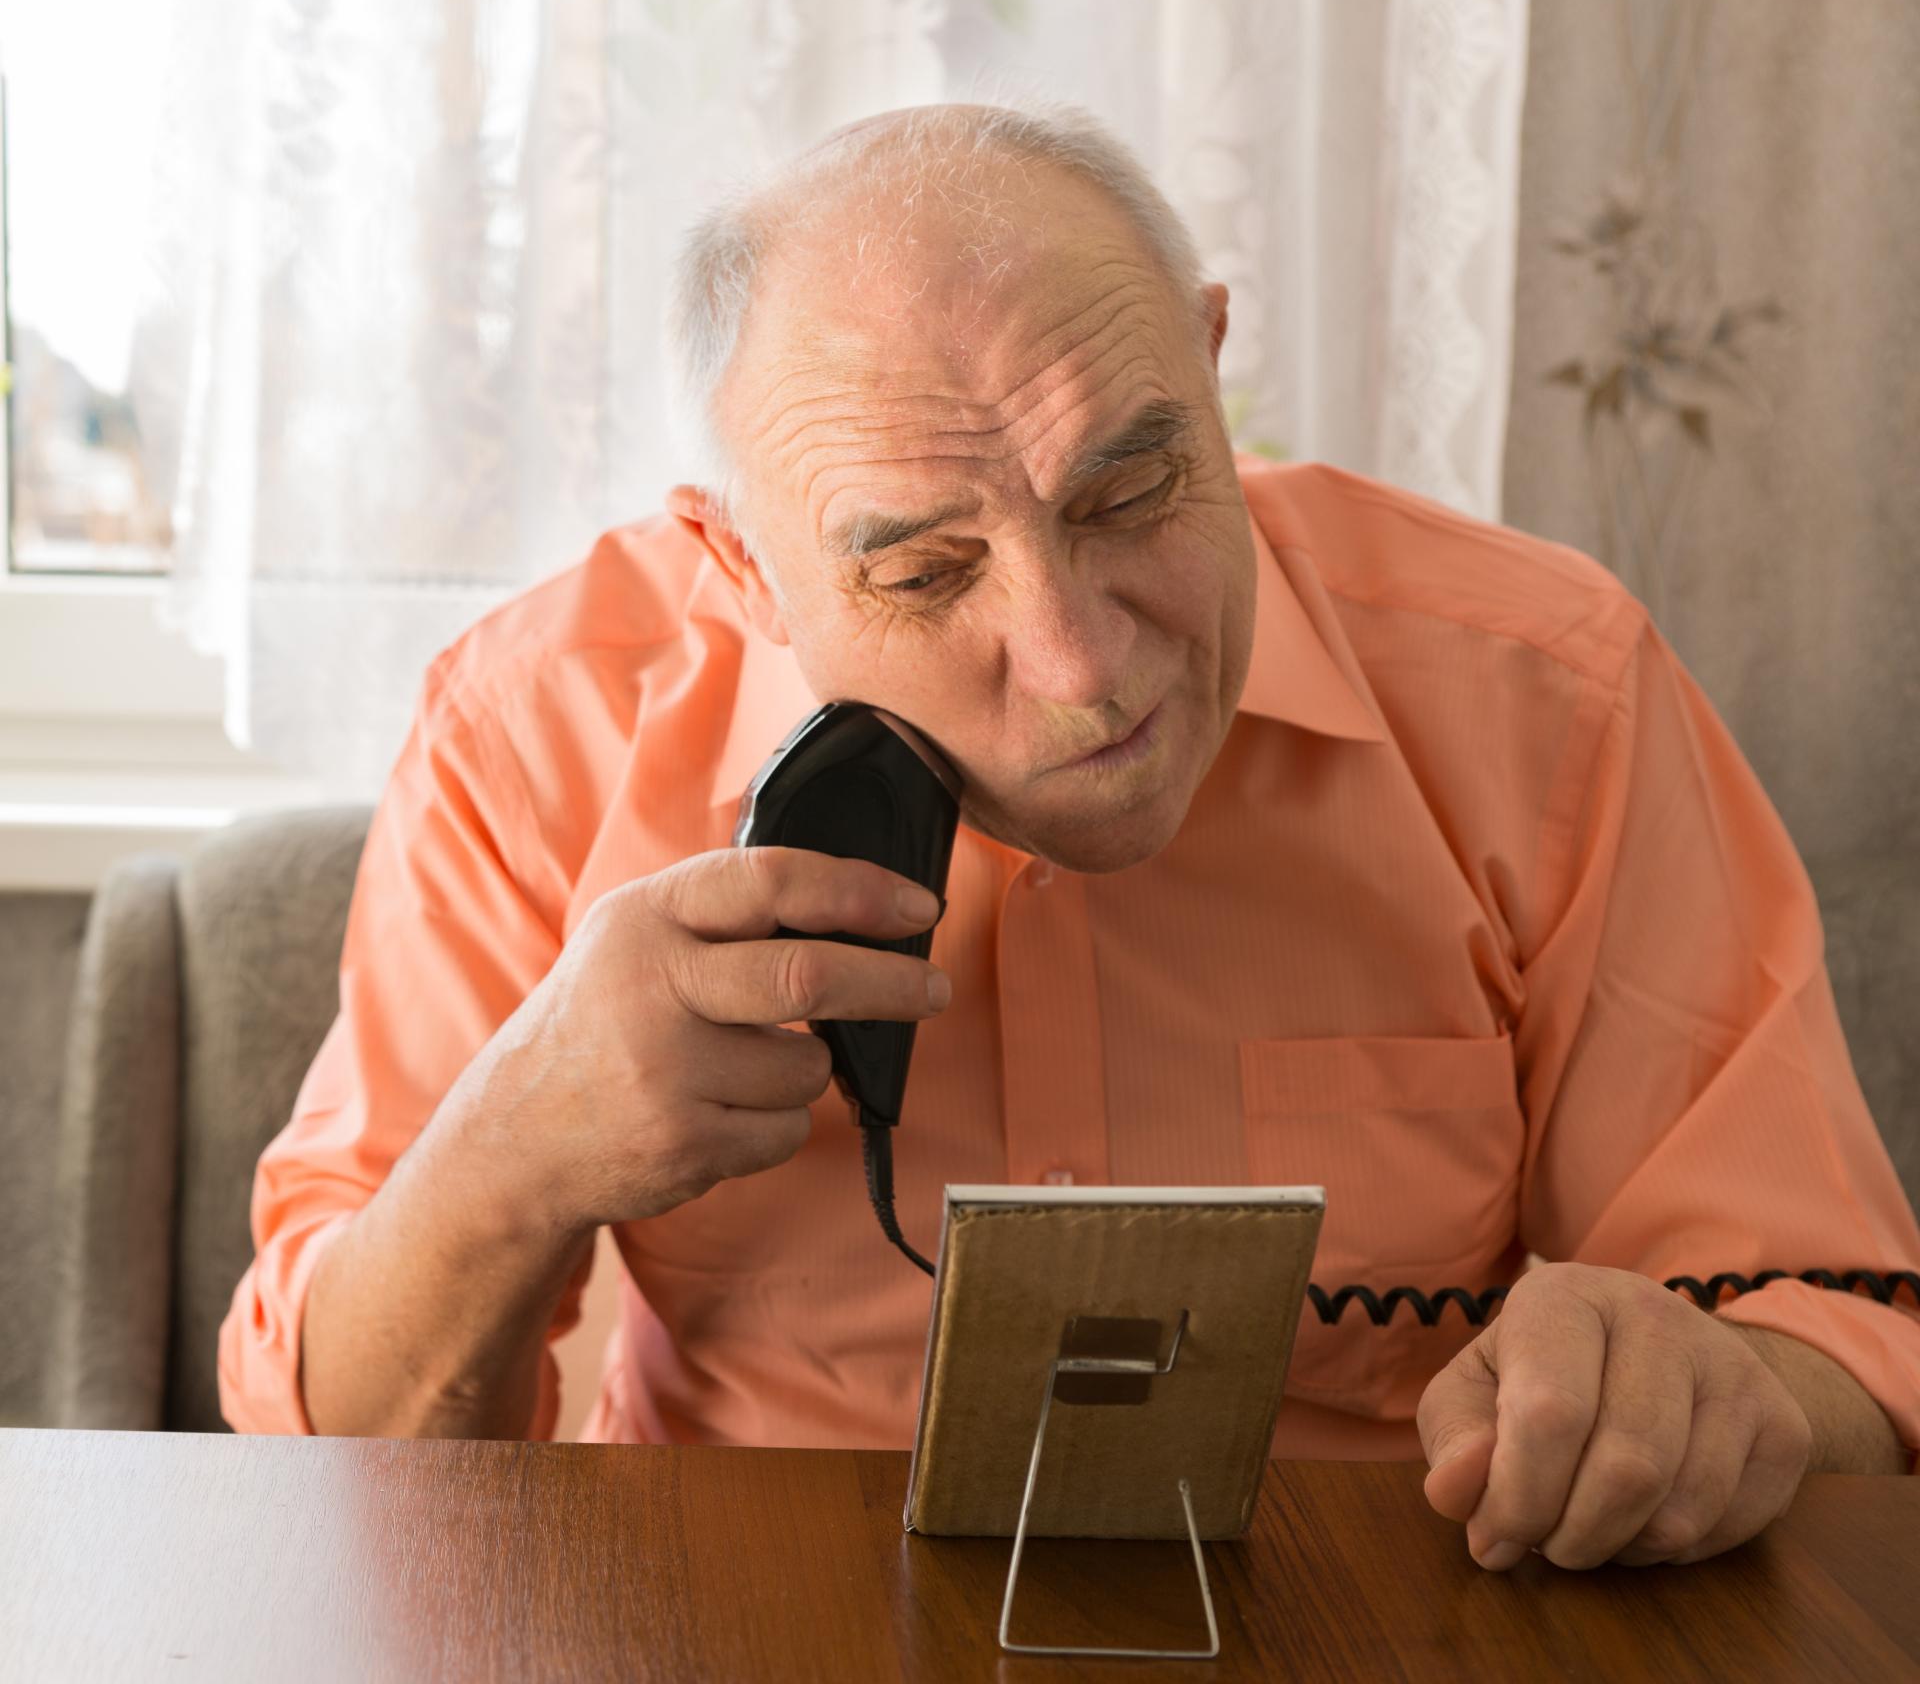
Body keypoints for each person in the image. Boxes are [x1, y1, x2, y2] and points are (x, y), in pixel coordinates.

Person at [220, 101, 1920, 1573]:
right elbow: (314, 1465)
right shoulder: (536, 731)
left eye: (1128, 493)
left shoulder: (1550, 695)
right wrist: (518, 1152)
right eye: (922, 573)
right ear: (740, 567)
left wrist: (1707, 1396)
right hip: (742, 1615)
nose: (1084, 665)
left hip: (1380, 1615)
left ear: (1211, 361)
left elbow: (1839, 1331)